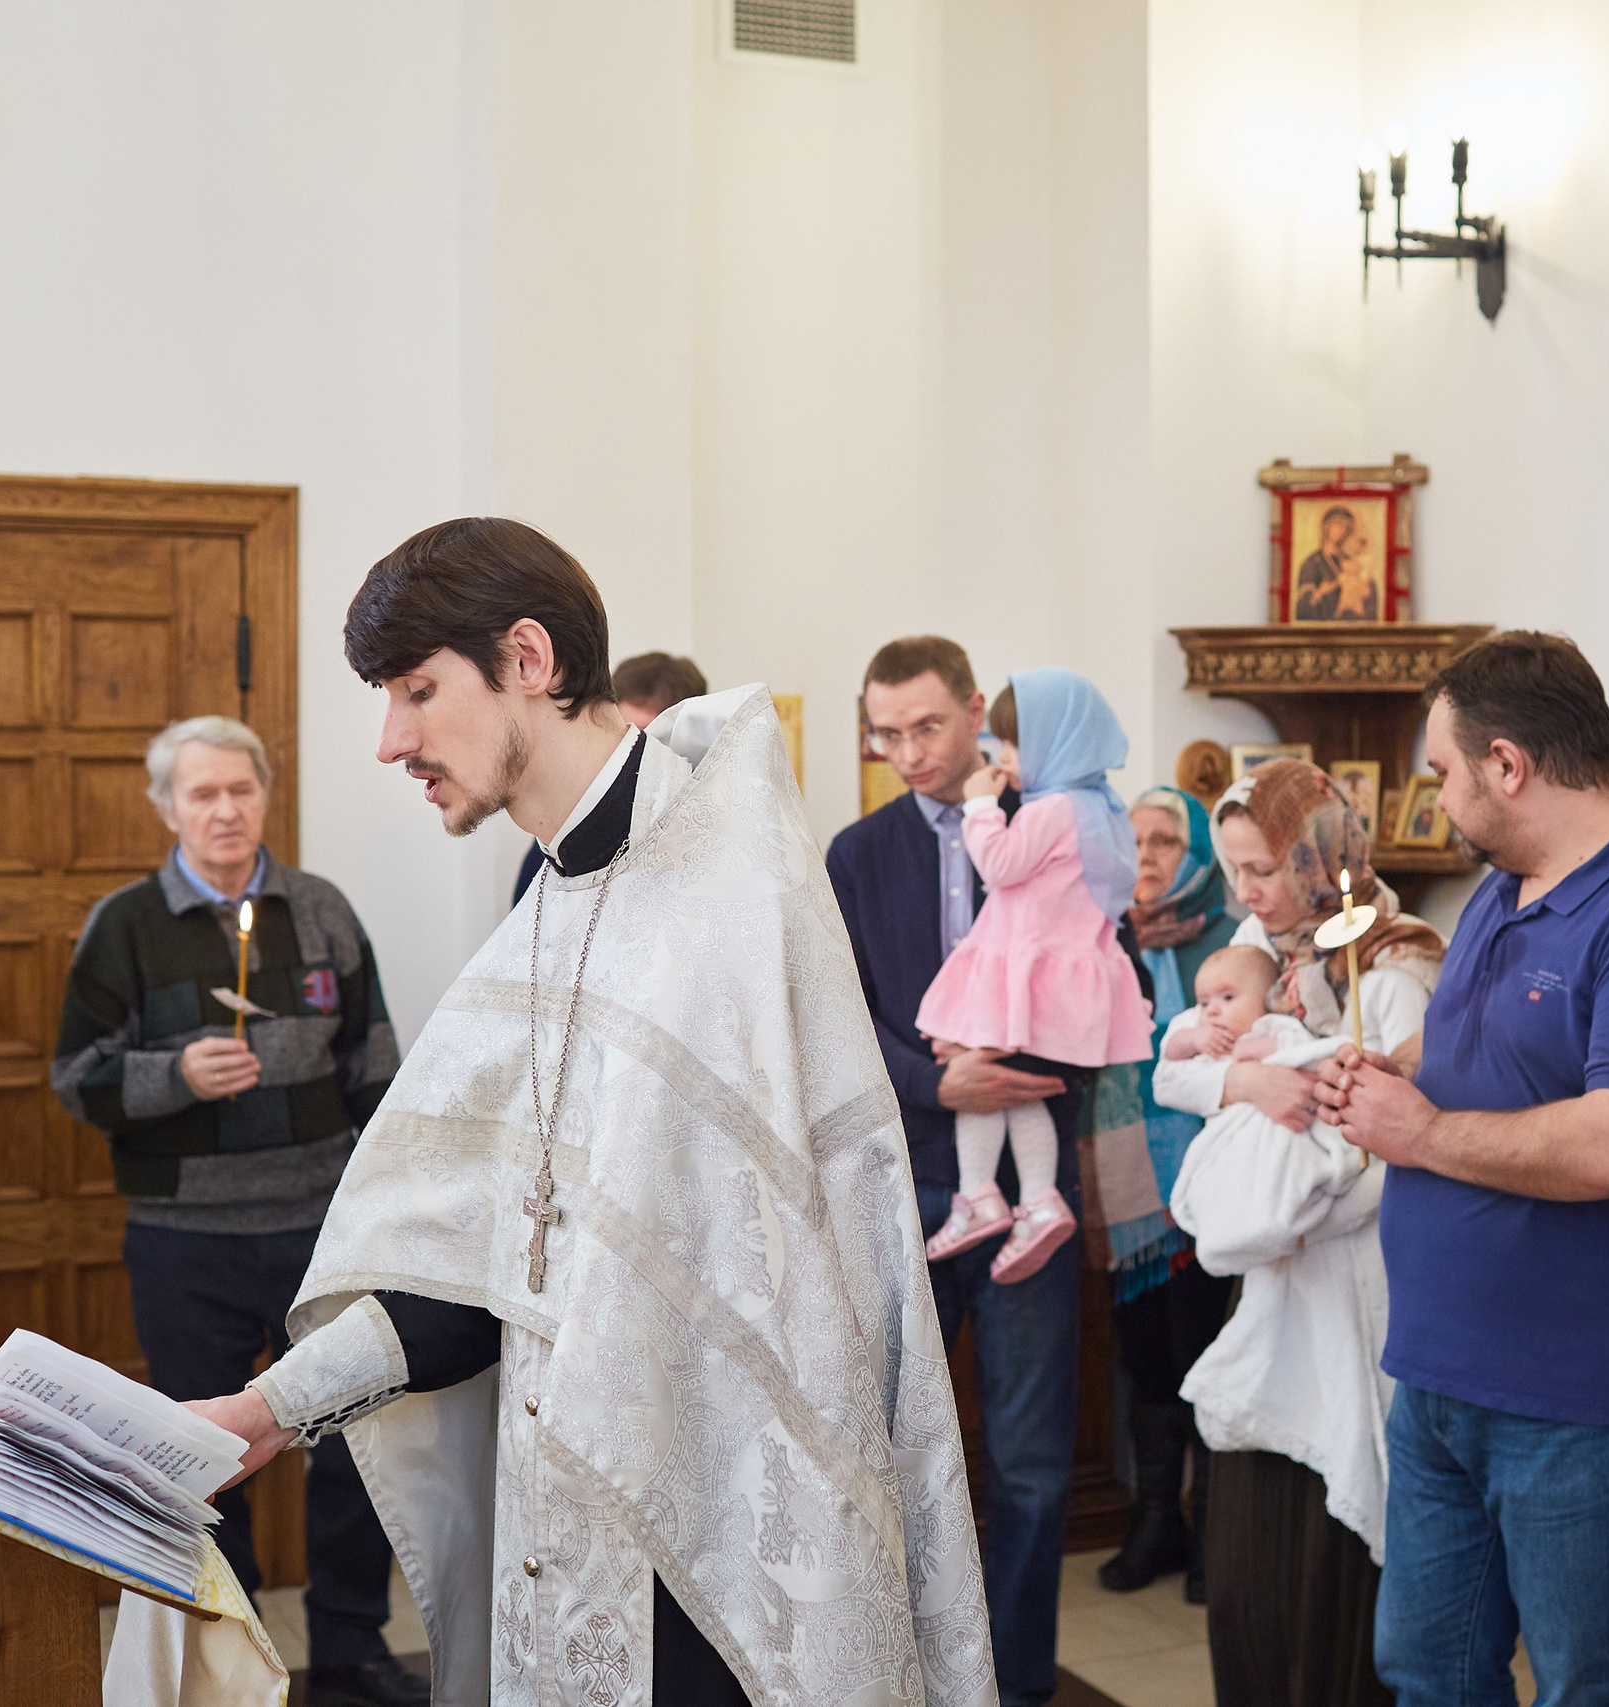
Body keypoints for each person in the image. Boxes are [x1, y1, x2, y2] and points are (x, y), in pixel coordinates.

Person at [141, 521, 991, 1706]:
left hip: (725, 1540)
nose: (393, 741)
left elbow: (754, 1290)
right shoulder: (551, 902)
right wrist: (266, 1412)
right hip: (572, 1516)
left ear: (528, 660)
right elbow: (494, 1257)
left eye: (418, 692)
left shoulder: (722, 895)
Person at [1311, 633, 1609, 1707]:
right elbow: (1472, 1058)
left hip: (1582, 1393)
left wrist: (1414, 1134)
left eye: (1442, 775)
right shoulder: (1501, 893)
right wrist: (1384, 1071)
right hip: (1441, 1372)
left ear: (1507, 765)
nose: (1438, 800)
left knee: (1582, 1687)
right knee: (1428, 1669)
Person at [52, 716, 417, 1707]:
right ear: (166, 808)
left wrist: (382, 1215)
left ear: (264, 797)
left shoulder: (322, 911)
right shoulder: (123, 926)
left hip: (318, 1233)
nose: (224, 811)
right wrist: (173, 1075)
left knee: (349, 1448)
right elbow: (74, 1080)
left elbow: (374, 1071)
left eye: (239, 792)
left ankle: (351, 1646)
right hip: (186, 1241)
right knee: (205, 1457)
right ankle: (229, 1654)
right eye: (201, 794)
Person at [825, 635, 1087, 1707]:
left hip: (1031, 1189)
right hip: (903, 1180)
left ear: (976, 709)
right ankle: (897, 1675)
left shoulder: (1055, 827)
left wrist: (1012, 1069)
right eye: (884, 733)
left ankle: (1018, 1683)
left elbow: (1090, 978)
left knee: (1029, 1464)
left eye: (926, 726)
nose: (906, 752)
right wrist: (937, 1086)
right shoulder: (855, 851)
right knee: (885, 1454)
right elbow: (833, 1018)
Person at [1165, 760, 1442, 1707]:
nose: (1244, 892)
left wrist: (1286, 1205)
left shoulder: (1398, 965)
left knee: (1338, 1542)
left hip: (1354, 1277)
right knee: (1249, 1570)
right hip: (1269, 1271)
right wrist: (1251, 1084)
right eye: (1233, 867)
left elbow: (1399, 1140)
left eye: (1263, 868)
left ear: (1327, 855)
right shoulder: (1258, 949)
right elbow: (1184, 1066)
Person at [918, 672, 1154, 1281]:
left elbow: (998, 865)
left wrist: (978, 804)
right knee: (1013, 1089)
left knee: (979, 1071)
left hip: (1024, 975)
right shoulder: (1102, 808)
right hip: (1058, 981)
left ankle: (982, 1196)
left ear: (1058, 743)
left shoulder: (1052, 809)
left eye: (1015, 749)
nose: (1006, 763)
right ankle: (1035, 1198)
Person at [1091, 787, 1238, 1600]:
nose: (1145, 855)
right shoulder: (1106, 936)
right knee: (1144, 1356)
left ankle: (1216, 1526)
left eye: (1164, 839)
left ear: (1199, 853)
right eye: (1134, 838)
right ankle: (1157, 1520)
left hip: (1206, 1178)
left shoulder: (1229, 940)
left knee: (1202, 1355)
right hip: (1125, 1183)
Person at [512, 651, 709, 907]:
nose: (633, 753)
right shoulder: (570, 827)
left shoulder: (712, 832)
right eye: (627, 734)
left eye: (651, 737)